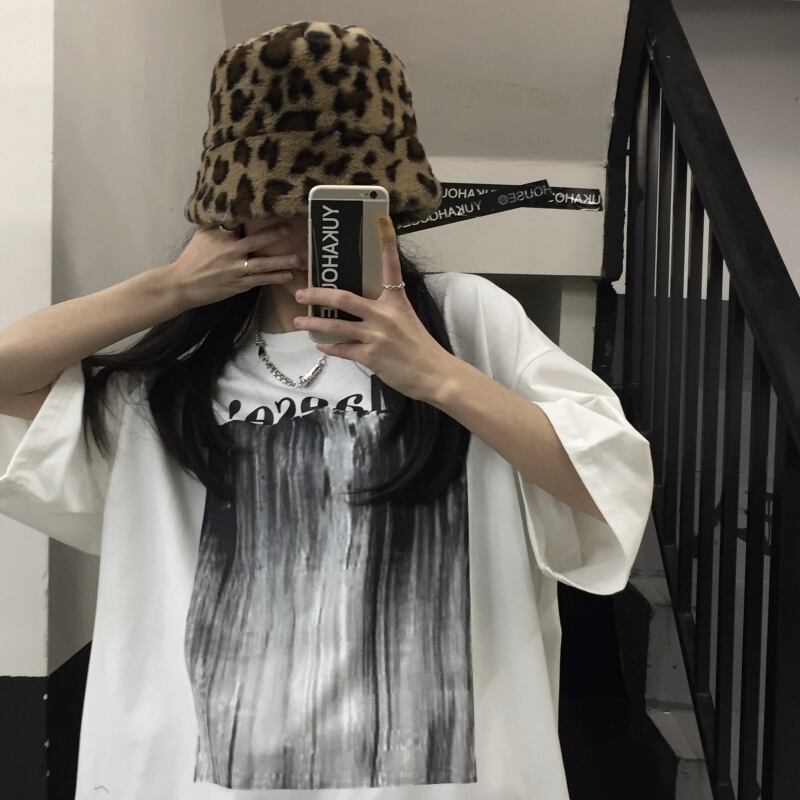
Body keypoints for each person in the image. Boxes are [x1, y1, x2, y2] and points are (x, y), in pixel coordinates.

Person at [0, 20, 654, 800]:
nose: (301, 230)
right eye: (273, 204)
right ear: (230, 209)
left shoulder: (466, 322)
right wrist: (168, 288)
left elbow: (607, 484)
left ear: (383, 206)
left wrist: (437, 376)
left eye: (328, 204)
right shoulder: (175, 380)